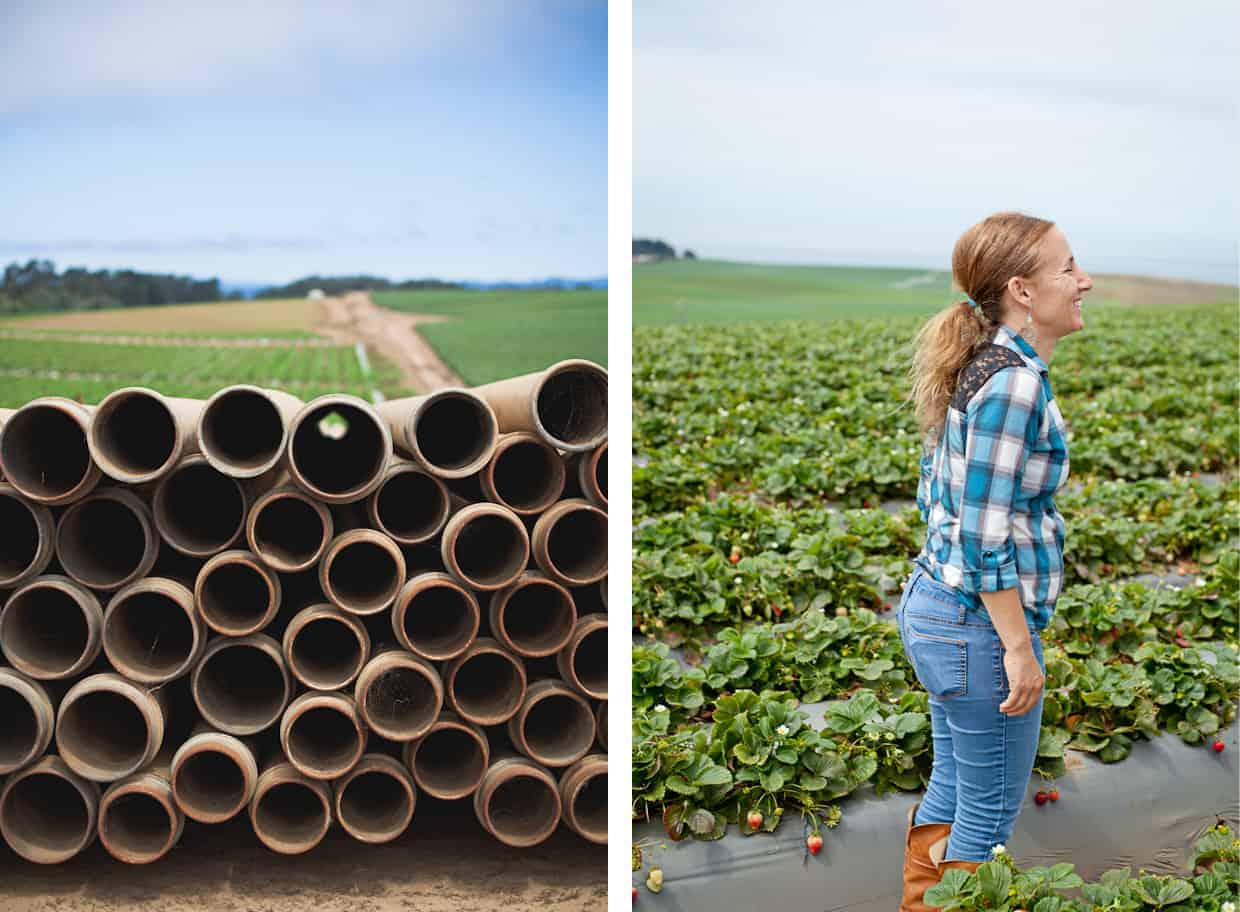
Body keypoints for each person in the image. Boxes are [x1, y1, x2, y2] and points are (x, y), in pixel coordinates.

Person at [896, 211, 1092, 911]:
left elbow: (934, 495)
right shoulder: (1012, 383)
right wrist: (1018, 646)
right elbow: (984, 535)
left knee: (953, 788)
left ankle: (920, 900)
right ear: (1023, 289)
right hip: (977, 626)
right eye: (1069, 267)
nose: (1084, 281)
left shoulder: (983, 364)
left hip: (938, 609)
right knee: (986, 815)